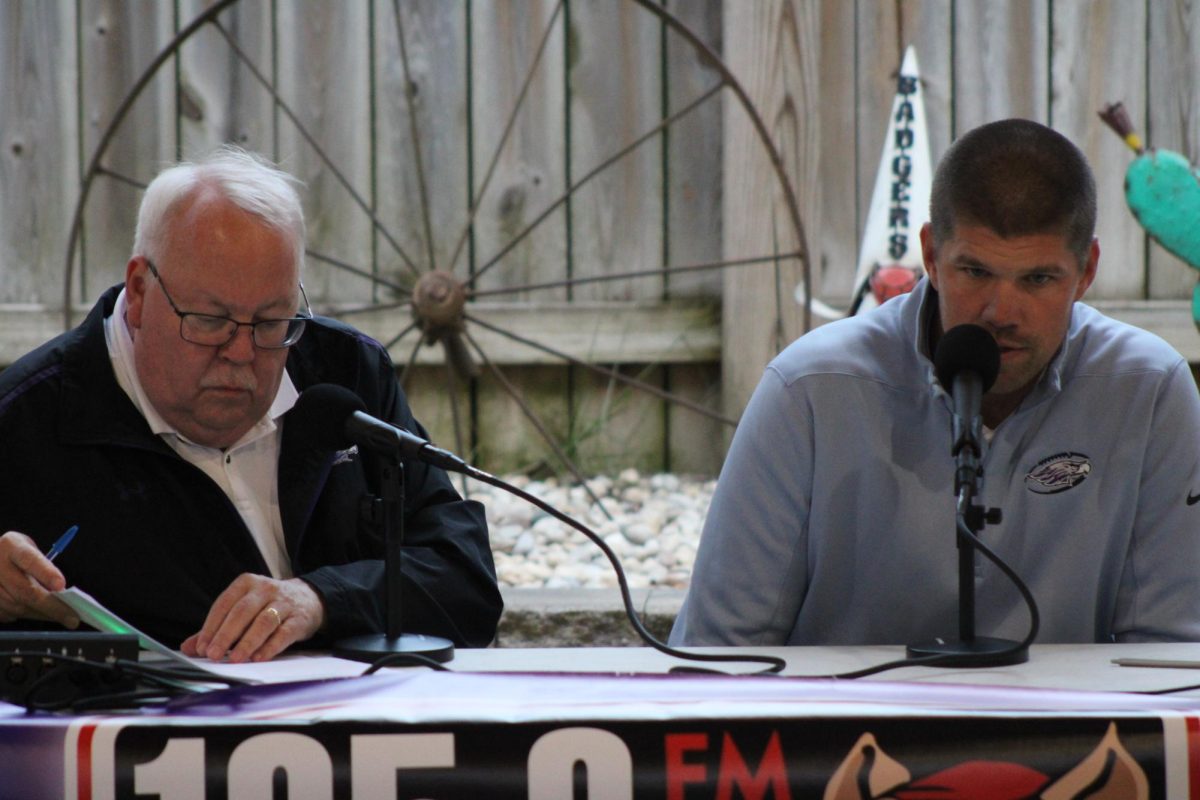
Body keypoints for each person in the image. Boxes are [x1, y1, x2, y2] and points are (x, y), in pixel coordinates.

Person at [671, 118, 1200, 647]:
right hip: (844, 728)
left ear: (1086, 272)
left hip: (1075, 731)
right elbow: (722, 654)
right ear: (930, 255)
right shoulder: (810, 390)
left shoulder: (1150, 391)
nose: (1001, 312)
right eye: (975, 272)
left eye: (1038, 279)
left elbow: (1170, 656)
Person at [0, 147, 501, 662]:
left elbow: (466, 582)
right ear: (140, 291)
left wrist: (320, 598)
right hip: (143, 735)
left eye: (270, 322)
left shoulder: (345, 374)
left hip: (358, 724)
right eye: (210, 320)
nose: (241, 352)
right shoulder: (29, 419)